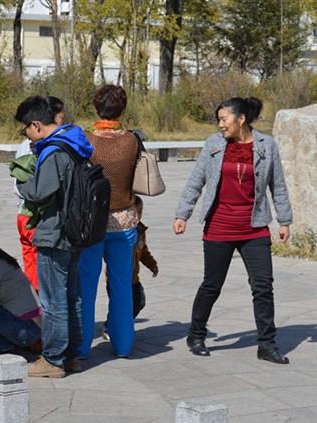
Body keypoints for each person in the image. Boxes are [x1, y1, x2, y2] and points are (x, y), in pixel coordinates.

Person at [174, 97, 292, 364]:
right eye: (219, 120)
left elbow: (278, 185)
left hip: (254, 227)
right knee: (212, 285)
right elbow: (196, 180)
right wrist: (183, 214)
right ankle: (196, 335)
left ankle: (267, 344)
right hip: (220, 226)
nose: (220, 124)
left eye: (224, 119)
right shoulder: (214, 144)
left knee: (263, 287)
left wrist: (284, 220)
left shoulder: (266, 145)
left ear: (241, 119)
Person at [15, 95, 94, 378]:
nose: (25, 134)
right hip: (74, 231)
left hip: (55, 233)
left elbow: (38, 192)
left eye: (25, 129)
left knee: (53, 301)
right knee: (72, 297)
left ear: (36, 125)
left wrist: (22, 183)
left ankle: (52, 359)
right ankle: (71, 356)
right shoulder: (75, 142)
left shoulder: (54, 151)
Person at [78, 85, 139, 359]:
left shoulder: (85, 139)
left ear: (96, 107)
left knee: (86, 286)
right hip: (124, 223)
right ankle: (123, 345)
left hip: (93, 223)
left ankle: (81, 348)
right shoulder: (132, 140)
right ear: (122, 110)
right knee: (122, 287)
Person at [10, 96, 66, 291]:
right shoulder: (48, 146)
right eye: (62, 117)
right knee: (46, 274)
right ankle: (40, 301)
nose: (62, 122)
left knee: (31, 265)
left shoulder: (25, 145)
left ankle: (33, 302)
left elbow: (17, 185)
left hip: (23, 215)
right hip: (37, 218)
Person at [102, 196, 159, 340]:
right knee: (118, 304)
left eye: (140, 211)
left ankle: (121, 323)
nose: (138, 215)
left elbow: (143, 250)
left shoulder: (140, 230)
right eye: (136, 211)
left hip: (133, 278)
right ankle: (110, 326)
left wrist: (152, 264)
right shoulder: (119, 230)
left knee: (139, 301)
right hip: (116, 278)